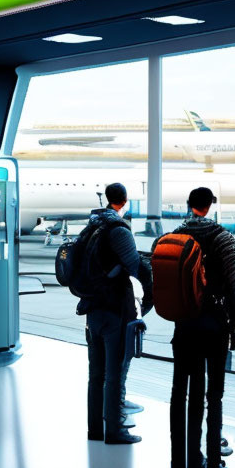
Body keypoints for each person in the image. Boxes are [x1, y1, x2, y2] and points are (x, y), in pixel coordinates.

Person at [160, 187, 235, 468]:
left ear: (189, 204)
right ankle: (212, 462)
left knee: (181, 391)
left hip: (183, 325)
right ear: (209, 206)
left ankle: (182, 459)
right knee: (213, 395)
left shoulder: (173, 237)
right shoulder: (223, 239)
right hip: (214, 325)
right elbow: (234, 286)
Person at [77, 183, 153, 445]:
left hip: (92, 308)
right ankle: (116, 431)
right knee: (115, 373)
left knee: (95, 374)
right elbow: (133, 267)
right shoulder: (118, 230)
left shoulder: (93, 225)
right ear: (125, 200)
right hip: (114, 310)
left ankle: (94, 429)